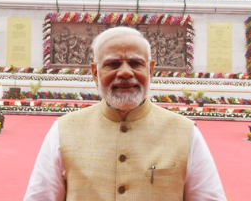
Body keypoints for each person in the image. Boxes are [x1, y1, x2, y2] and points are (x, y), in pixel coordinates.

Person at [23, 27, 227, 201]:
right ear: (95, 72)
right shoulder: (64, 130)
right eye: (112, 64)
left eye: (136, 63)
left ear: (150, 70)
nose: (125, 73)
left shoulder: (185, 133)